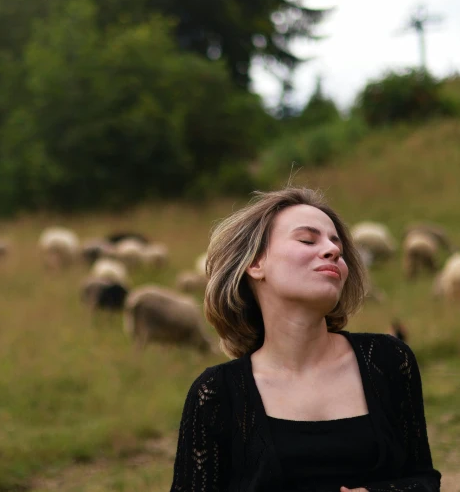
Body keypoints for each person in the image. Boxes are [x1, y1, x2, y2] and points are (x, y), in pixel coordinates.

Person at [170, 187, 441, 492]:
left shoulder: (387, 360)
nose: (332, 250)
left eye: (336, 243)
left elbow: (424, 479)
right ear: (256, 264)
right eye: (307, 240)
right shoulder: (216, 395)